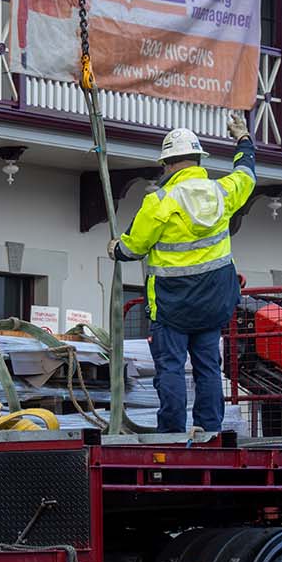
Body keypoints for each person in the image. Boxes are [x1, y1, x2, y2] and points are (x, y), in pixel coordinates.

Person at [110, 114, 256, 435]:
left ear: (169, 163)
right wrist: (243, 140)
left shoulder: (158, 202)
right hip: (213, 305)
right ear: (197, 160)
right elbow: (246, 174)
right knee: (208, 370)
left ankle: (173, 433)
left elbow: (133, 247)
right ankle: (209, 430)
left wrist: (115, 249)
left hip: (172, 306)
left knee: (171, 369)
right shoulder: (222, 192)